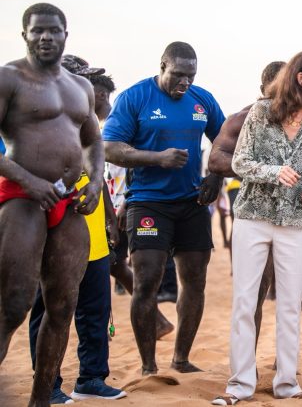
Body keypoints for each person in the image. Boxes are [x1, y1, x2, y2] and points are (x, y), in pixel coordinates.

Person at [213, 51, 302, 404]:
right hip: (253, 219)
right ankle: (239, 385)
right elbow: (239, 161)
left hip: (296, 223)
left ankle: (287, 384)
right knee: (244, 302)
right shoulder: (260, 114)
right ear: (301, 79)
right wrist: (273, 172)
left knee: (289, 305)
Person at [0, 3, 104, 405]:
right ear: (24, 35)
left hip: (67, 200)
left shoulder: (79, 87)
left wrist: (94, 181)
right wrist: (28, 179)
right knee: (13, 304)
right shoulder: (9, 78)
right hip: (23, 197)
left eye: (53, 30)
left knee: (63, 306)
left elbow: (93, 141)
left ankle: (41, 399)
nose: (46, 37)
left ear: (66, 35)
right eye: (37, 31)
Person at [102, 41, 226, 375]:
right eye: (179, 75)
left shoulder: (203, 100)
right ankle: (148, 366)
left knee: (195, 282)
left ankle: (181, 358)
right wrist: (157, 158)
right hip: (147, 202)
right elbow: (110, 148)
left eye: (191, 76)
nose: (185, 83)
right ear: (163, 66)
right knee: (145, 282)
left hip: (191, 202)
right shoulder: (135, 97)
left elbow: (227, 142)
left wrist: (215, 174)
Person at [26, 55, 127, 404]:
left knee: (96, 310)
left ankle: (92, 378)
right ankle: (49, 385)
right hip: (53, 231)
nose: (92, 92)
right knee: (51, 309)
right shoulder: (37, 122)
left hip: (92, 232)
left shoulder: (87, 127)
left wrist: (111, 220)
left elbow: (96, 176)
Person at [207, 61, 286, 339]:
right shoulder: (243, 118)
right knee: (253, 293)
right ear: (262, 88)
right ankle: (246, 365)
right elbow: (216, 159)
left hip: (294, 215)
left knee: (292, 297)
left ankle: (285, 368)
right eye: (275, 89)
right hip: (255, 213)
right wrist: (264, 170)